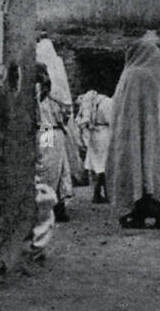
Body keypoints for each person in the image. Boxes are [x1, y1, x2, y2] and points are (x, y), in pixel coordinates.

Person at [107, 34, 160, 229]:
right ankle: (159, 216)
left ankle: (138, 214)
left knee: (137, 171)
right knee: (154, 171)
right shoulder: (159, 74)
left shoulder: (129, 75)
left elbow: (118, 111)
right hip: (157, 136)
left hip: (131, 137)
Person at [36, 37, 85, 187]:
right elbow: (66, 112)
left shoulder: (42, 91)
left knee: (50, 164)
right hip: (51, 129)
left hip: (46, 128)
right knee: (53, 164)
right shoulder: (57, 89)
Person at [35, 64, 73, 222]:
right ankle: (56, 205)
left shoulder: (39, 92)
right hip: (55, 130)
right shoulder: (56, 92)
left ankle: (50, 205)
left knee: (48, 167)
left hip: (45, 129)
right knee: (57, 167)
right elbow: (67, 112)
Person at [75, 88, 113, 203]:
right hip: (104, 134)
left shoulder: (87, 104)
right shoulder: (106, 102)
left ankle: (97, 193)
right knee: (104, 165)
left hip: (94, 135)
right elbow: (112, 119)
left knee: (97, 165)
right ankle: (105, 193)